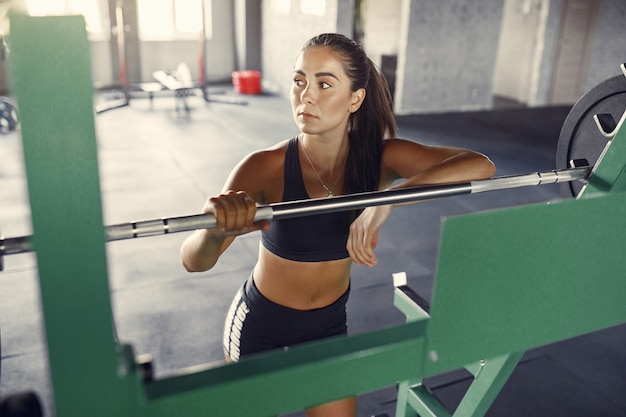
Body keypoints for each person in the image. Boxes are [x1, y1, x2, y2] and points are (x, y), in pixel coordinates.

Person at [180, 33, 496, 417]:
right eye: (300, 81)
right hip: (259, 326)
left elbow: (480, 165)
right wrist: (215, 230)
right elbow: (194, 262)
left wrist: (386, 202)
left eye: (324, 84)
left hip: (327, 328)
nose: (306, 96)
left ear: (355, 99)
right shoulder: (264, 167)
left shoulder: (380, 158)